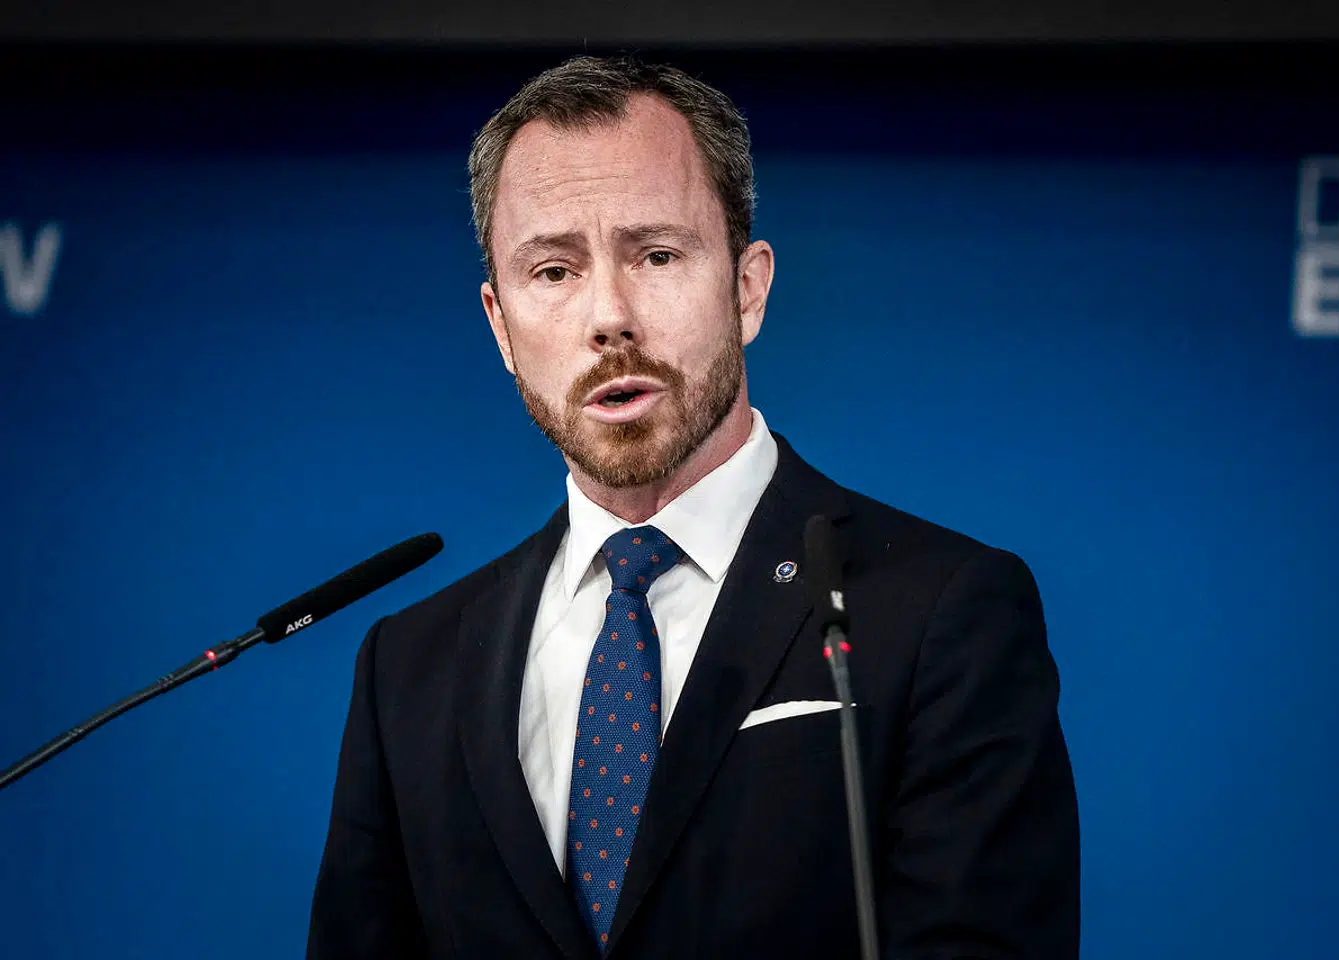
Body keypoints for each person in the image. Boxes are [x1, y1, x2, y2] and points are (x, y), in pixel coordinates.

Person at [307, 55, 1079, 959]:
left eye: (657, 255)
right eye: (552, 271)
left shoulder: (941, 611)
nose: (609, 316)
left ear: (748, 289)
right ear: (500, 325)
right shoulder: (410, 667)